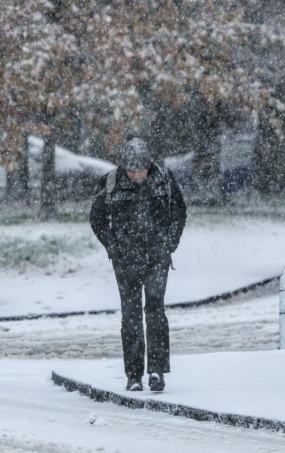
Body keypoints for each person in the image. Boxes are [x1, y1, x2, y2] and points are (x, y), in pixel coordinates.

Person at [89, 137, 186, 392]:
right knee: (130, 317)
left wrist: (170, 243)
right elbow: (97, 219)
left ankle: (156, 371)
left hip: (157, 257)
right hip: (125, 261)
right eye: (132, 171)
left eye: (140, 170)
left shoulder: (164, 179)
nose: (136, 175)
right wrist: (113, 247)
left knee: (155, 312)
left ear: (148, 165)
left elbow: (179, 212)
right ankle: (134, 375)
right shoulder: (111, 182)